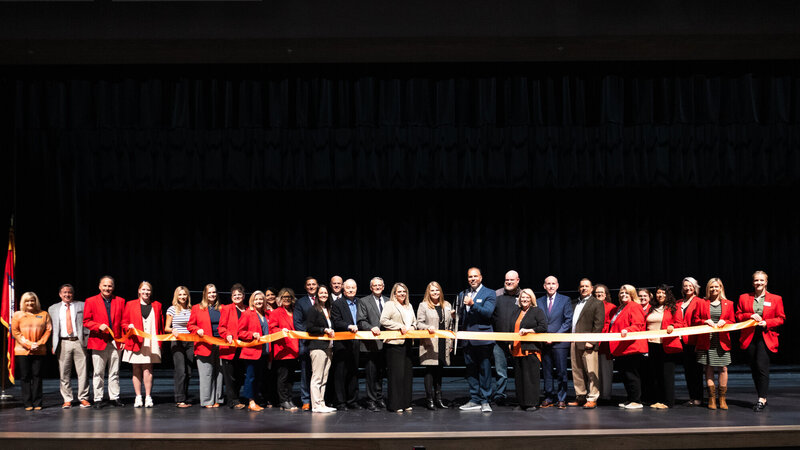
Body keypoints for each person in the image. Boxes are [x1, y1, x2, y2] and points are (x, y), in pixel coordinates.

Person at [736, 270, 785, 412]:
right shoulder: (744, 297)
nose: (759, 283)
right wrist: (749, 315)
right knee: (754, 367)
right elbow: (738, 315)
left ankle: (761, 399)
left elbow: (781, 318)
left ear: (766, 282)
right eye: (756, 280)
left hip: (766, 335)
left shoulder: (776, 299)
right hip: (749, 336)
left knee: (761, 365)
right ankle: (761, 395)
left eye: (761, 280)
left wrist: (767, 323)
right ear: (753, 283)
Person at [456, 267, 496, 412]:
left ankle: (485, 400)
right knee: (471, 370)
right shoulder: (463, 294)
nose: (472, 279)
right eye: (469, 277)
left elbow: (488, 313)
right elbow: (462, 316)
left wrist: (473, 305)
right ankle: (474, 399)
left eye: (475, 276)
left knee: (485, 370)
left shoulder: (489, 293)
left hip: (483, 338)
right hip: (467, 339)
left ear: (480, 277)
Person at [83, 275, 126, 408]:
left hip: (115, 341)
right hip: (98, 340)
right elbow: (86, 321)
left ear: (113, 287)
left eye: (110, 286)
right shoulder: (90, 301)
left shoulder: (120, 301)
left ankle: (114, 397)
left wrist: (124, 338)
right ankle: (98, 398)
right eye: (105, 285)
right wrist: (97, 326)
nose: (107, 288)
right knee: (98, 372)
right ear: (99, 286)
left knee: (114, 371)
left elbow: (124, 321)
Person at [48, 284, 91, 409]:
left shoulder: (82, 305)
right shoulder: (53, 308)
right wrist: (53, 344)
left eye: (69, 292)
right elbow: (51, 328)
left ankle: (83, 398)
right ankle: (67, 399)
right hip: (63, 343)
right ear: (60, 294)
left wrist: (87, 339)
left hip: (79, 342)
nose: (67, 294)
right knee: (64, 372)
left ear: (73, 294)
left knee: (83, 372)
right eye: (64, 292)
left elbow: (87, 323)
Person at [122, 281, 163, 408]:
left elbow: (160, 324)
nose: (146, 292)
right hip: (135, 341)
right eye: (143, 290)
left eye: (148, 290)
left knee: (148, 368)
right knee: (136, 369)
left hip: (151, 341)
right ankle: (138, 396)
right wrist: (128, 326)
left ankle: (148, 396)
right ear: (139, 291)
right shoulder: (130, 304)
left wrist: (159, 343)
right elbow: (123, 322)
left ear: (151, 292)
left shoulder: (157, 305)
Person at [695, 278, 734, 410]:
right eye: (711, 287)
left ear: (721, 288)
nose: (714, 289)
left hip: (722, 340)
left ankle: (722, 398)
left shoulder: (729, 303)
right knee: (708, 368)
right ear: (708, 289)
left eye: (716, 287)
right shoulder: (702, 302)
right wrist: (705, 321)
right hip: (707, 339)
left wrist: (726, 322)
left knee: (723, 368)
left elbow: (732, 320)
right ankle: (712, 398)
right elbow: (695, 319)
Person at [380, 282, 418, 413]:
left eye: (404, 291)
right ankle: (395, 404)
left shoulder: (409, 306)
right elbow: (383, 320)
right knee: (396, 375)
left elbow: (415, 322)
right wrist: (398, 326)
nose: (402, 294)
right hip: (394, 344)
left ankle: (406, 402)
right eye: (399, 291)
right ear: (394, 293)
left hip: (407, 343)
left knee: (407, 375)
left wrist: (412, 327)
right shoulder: (390, 304)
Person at [568, 278, 605, 409]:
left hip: (588, 343)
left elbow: (598, 324)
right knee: (576, 371)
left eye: (586, 286)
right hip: (574, 341)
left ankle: (592, 397)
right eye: (581, 286)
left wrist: (592, 341)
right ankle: (580, 396)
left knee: (591, 371)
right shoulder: (574, 303)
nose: (584, 288)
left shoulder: (597, 303)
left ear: (592, 288)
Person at [11, 292, 52, 410]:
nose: (30, 303)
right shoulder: (18, 315)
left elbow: (48, 330)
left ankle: (38, 402)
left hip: (39, 349)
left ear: (36, 301)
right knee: (25, 376)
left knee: (37, 375)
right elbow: (15, 332)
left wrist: (39, 344)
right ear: (23, 302)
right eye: (27, 301)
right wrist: (29, 345)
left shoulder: (44, 314)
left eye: (32, 301)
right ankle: (28, 403)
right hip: (22, 350)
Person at [644, 284, 683, 409]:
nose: (660, 295)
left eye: (663, 293)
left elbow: (679, 323)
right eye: (658, 293)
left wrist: (673, 326)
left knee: (667, 374)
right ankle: (657, 399)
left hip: (666, 345)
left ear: (667, 294)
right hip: (651, 344)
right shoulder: (652, 308)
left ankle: (668, 401)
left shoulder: (673, 307)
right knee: (654, 374)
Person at [187, 284, 226, 408]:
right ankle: (207, 400)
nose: (212, 295)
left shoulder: (223, 308)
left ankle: (218, 399)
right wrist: (197, 329)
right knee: (206, 374)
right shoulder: (197, 308)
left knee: (219, 374)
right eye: (209, 293)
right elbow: (190, 325)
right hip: (204, 345)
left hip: (221, 344)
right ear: (205, 294)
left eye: (214, 292)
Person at [537, 275, 573, 409]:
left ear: (557, 285)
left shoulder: (565, 300)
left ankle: (561, 398)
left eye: (553, 283)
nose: (551, 286)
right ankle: (548, 397)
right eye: (548, 284)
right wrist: (544, 336)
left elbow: (568, 321)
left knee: (562, 372)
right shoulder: (539, 301)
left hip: (559, 343)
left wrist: (555, 336)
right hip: (544, 342)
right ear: (544, 286)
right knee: (546, 372)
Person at [609, 285, 647, 409]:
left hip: (631, 347)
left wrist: (628, 330)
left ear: (632, 295)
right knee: (625, 375)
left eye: (627, 293)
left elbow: (638, 324)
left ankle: (636, 401)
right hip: (621, 348)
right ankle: (630, 399)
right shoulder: (620, 308)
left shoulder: (635, 306)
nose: (623, 295)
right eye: (621, 293)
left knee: (632, 375)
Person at [416, 281, 453, 410]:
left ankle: (439, 399)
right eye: (432, 290)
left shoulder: (447, 305)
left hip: (443, 343)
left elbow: (450, 326)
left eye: (437, 290)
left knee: (439, 372)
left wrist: (451, 343)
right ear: (428, 292)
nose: (435, 292)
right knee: (429, 372)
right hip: (430, 343)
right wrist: (427, 327)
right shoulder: (423, 305)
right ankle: (429, 399)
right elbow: (418, 324)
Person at [509, 289, 547, 411]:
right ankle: (522, 403)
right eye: (522, 298)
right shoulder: (516, 312)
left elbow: (543, 327)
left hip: (531, 350)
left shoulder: (537, 311)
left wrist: (529, 330)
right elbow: (511, 329)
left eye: (527, 297)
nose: (524, 300)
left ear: (532, 299)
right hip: (517, 350)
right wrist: (510, 343)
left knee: (530, 378)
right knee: (519, 378)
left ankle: (531, 403)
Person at [357, 276, 388, 412]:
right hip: (370, 344)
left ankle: (379, 398)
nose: (377, 287)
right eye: (375, 285)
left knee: (381, 374)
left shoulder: (389, 301)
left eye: (379, 285)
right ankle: (371, 400)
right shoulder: (363, 301)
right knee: (371, 374)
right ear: (371, 287)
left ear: (383, 286)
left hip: (386, 343)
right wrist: (371, 327)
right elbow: (361, 320)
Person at [330, 279, 362, 410]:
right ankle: (341, 402)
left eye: (353, 288)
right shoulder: (337, 304)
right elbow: (336, 322)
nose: (350, 290)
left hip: (356, 343)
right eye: (348, 288)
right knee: (340, 374)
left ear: (356, 289)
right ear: (343, 289)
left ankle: (352, 400)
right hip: (342, 344)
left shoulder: (360, 302)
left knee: (353, 372)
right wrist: (349, 326)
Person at [305, 285, 336, 413]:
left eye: (325, 293)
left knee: (324, 377)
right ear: (317, 295)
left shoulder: (328, 309)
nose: (324, 295)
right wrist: (324, 330)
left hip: (329, 347)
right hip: (317, 347)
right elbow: (310, 328)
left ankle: (321, 403)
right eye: (321, 293)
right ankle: (316, 405)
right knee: (317, 377)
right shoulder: (313, 310)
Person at [491, 270, 520, 405]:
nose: (508, 282)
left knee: (519, 370)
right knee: (500, 371)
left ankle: (521, 394)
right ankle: (500, 394)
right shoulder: (496, 294)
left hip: (518, 341)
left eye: (511, 280)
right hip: (499, 341)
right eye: (507, 280)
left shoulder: (524, 295)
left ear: (517, 280)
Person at [237, 291, 270, 411]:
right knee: (251, 377)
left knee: (258, 377)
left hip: (263, 352)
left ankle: (255, 399)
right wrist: (252, 334)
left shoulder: (266, 315)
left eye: (261, 299)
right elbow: (240, 332)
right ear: (252, 301)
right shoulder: (247, 314)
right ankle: (250, 401)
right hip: (251, 352)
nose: (259, 301)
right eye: (256, 299)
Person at [269, 288, 299, 411]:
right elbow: (271, 328)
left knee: (291, 378)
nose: (286, 299)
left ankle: (289, 399)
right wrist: (281, 331)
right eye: (284, 297)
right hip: (282, 349)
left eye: (289, 297)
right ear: (280, 299)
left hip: (294, 349)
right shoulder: (276, 312)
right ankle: (283, 401)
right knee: (283, 377)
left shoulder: (295, 311)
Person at [220, 283, 247, 410]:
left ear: (243, 296)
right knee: (230, 377)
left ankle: (237, 397)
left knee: (240, 376)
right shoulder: (226, 309)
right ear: (231, 297)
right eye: (234, 295)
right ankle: (233, 400)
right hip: (229, 348)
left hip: (245, 349)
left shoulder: (248, 309)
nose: (237, 297)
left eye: (239, 294)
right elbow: (221, 327)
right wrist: (227, 335)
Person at [678, 277, 704, 406]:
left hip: (693, 341)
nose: (688, 288)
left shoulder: (699, 301)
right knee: (687, 371)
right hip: (681, 341)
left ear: (695, 287)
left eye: (690, 286)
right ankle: (691, 397)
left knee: (696, 371)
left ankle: (698, 397)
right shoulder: (678, 303)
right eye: (685, 286)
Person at [166, 286, 194, 408]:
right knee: (180, 371)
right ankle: (180, 399)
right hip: (177, 342)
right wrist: (173, 330)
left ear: (188, 296)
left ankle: (185, 397)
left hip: (190, 342)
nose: (182, 297)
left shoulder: (191, 310)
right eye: (180, 295)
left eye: (184, 295)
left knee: (188, 372)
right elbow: (166, 328)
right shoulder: (172, 309)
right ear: (176, 296)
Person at [293, 276, 319, 411]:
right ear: (305, 287)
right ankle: (306, 400)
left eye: (313, 284)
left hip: (321, 342)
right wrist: (310, 334)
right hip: (306, 342)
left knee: (319, 372)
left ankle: (319, 399)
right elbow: (297, 322)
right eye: (308, 284)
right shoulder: (300, 302)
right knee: (305, 371)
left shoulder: (323, 300)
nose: (311, 287)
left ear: (317, 286)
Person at [594, 284, 616, 404]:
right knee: (593, 370)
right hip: (592, 341)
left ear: (606, 294)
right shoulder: (590, 306)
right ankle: (594, 394)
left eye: (602, 292)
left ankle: (606, 395)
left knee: (605, 370)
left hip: (605, 343)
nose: (600, 294)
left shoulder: (612, 307)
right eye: (597, 292)